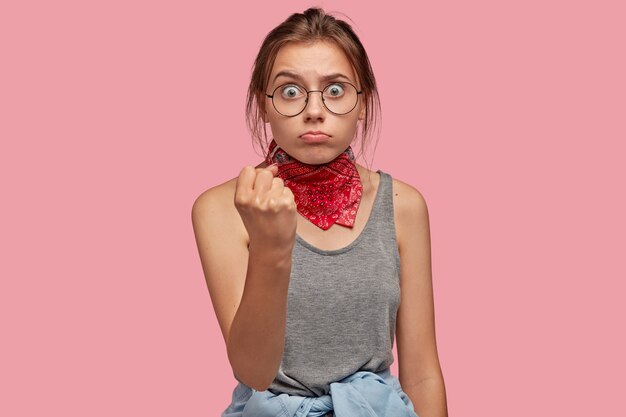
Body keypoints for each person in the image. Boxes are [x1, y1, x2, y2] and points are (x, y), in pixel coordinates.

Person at [192, 7, 448, 417]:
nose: (314, 110)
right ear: (264, 106)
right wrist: (272, 248)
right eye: (290, 91)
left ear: (362, 103)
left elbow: (421, 373)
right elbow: (254, 371)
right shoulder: (221, 209)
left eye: (335, 90)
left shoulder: (404, 206)